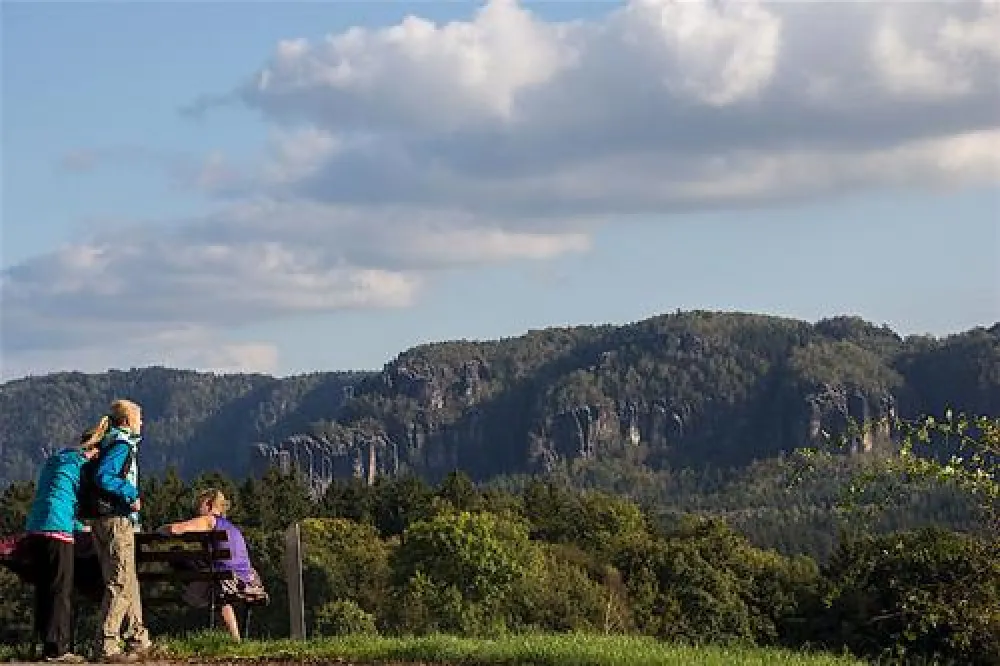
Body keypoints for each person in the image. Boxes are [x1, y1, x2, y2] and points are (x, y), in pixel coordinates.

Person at [23, 428, 101, 663]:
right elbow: (73, 502)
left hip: (36, 526)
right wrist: (82, 527)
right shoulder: (83, 466)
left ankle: (43, 644)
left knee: (44, 589)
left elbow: (57, 494)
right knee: (60, 589)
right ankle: (59, 649)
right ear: (94, 451)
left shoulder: (57, 460)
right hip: (58, 529)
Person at [87, 399, 156, 663]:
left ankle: (139, 638)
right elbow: (105, 477)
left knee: (127, 581)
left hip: (99, 520)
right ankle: (106, 643)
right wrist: (131, 494)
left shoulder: (105, 443)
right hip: (117, 518)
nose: (142, 422)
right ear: (127, 421)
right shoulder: (122, 445)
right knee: (119, 582)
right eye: (139, 418)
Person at [157, 489, 268, 641]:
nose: (196, 509)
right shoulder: (231, 527)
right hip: (247, 579)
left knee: (177, 555)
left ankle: (233, 638)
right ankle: (235, 640)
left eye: (198, 505)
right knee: (215, 585)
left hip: (226, 580)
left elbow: (175, 529)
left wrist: (160, 530)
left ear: (208, 504)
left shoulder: (210, 520)